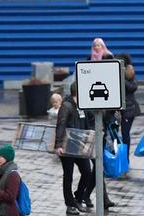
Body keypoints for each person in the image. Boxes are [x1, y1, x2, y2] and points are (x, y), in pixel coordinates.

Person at [55, 82, 93, 215]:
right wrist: (58, 145)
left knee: (87, 172)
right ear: (77, 93)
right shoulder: (66, 106)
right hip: (67, 146)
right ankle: (69, 204)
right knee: (68, 176)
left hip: (80, 145)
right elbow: (60, 125)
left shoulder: (84, 105)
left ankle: (78, 198)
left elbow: (90, 121)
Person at [0, 145, 21, 216]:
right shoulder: (1, 172)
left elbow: (11, 196)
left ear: (7, 158)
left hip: (7, 212)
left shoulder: (13, 175)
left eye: (0, 157)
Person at [118, 54, 140, 153]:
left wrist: (122, 79)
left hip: (129, 108)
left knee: (125, 133)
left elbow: (133, 87)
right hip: (117, 109)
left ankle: (125, 157)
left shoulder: (129, 73)